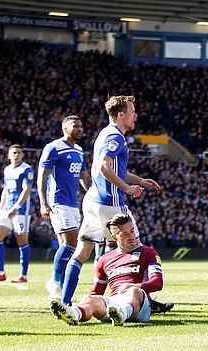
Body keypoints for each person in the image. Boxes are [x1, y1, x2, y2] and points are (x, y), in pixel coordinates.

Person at [59, 96, 161, 306]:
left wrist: (140, 180)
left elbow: (115, 168)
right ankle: (144, 301)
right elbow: (105, 167)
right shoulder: (116, 136)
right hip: (110, 201)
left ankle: (65, 301)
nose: (135, 116)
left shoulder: (105, 134)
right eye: (132, 112)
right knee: (135, 248)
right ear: (121, 114)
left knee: (84, 251)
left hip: (93, 200)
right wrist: (126, 188)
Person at [50, 214, 163, 326]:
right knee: (90, 299)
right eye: (125, 234)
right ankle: (73, 314)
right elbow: (97, 292)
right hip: (113, 305)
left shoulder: (148, 253)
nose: (131, 236)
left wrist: (136, 286)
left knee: (134, 292)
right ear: (114, 237)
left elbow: (157, 283)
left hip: (140, 304)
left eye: (132, 231)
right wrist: (89, 300)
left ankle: (122, 313)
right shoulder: (104, 259)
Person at [38, 116, 91, 299]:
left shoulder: (78, 150)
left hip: (73, 203)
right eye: (75, 126)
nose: (80, 129)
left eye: (81, 126)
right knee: (71, 243)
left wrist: (93, 192)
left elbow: (84, 177)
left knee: (66, 245)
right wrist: (43, 202)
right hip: (58, 202)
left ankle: (58, 284)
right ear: (65, 128)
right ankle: (54, 281)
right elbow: (42, 176)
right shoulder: (53, 147)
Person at [0, 145, 34, 283]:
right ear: (8, 155)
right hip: (6, 209)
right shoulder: (7, 170)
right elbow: (5, 191)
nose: (16, 155)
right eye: (14, 153)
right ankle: (0, 272)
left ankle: (23, 276)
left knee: (22, 241)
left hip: (20, 211)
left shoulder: (26, 169)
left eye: (19, 153)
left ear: (22, 155)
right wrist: (0, 210)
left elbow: (27, 189)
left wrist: (17, 206)